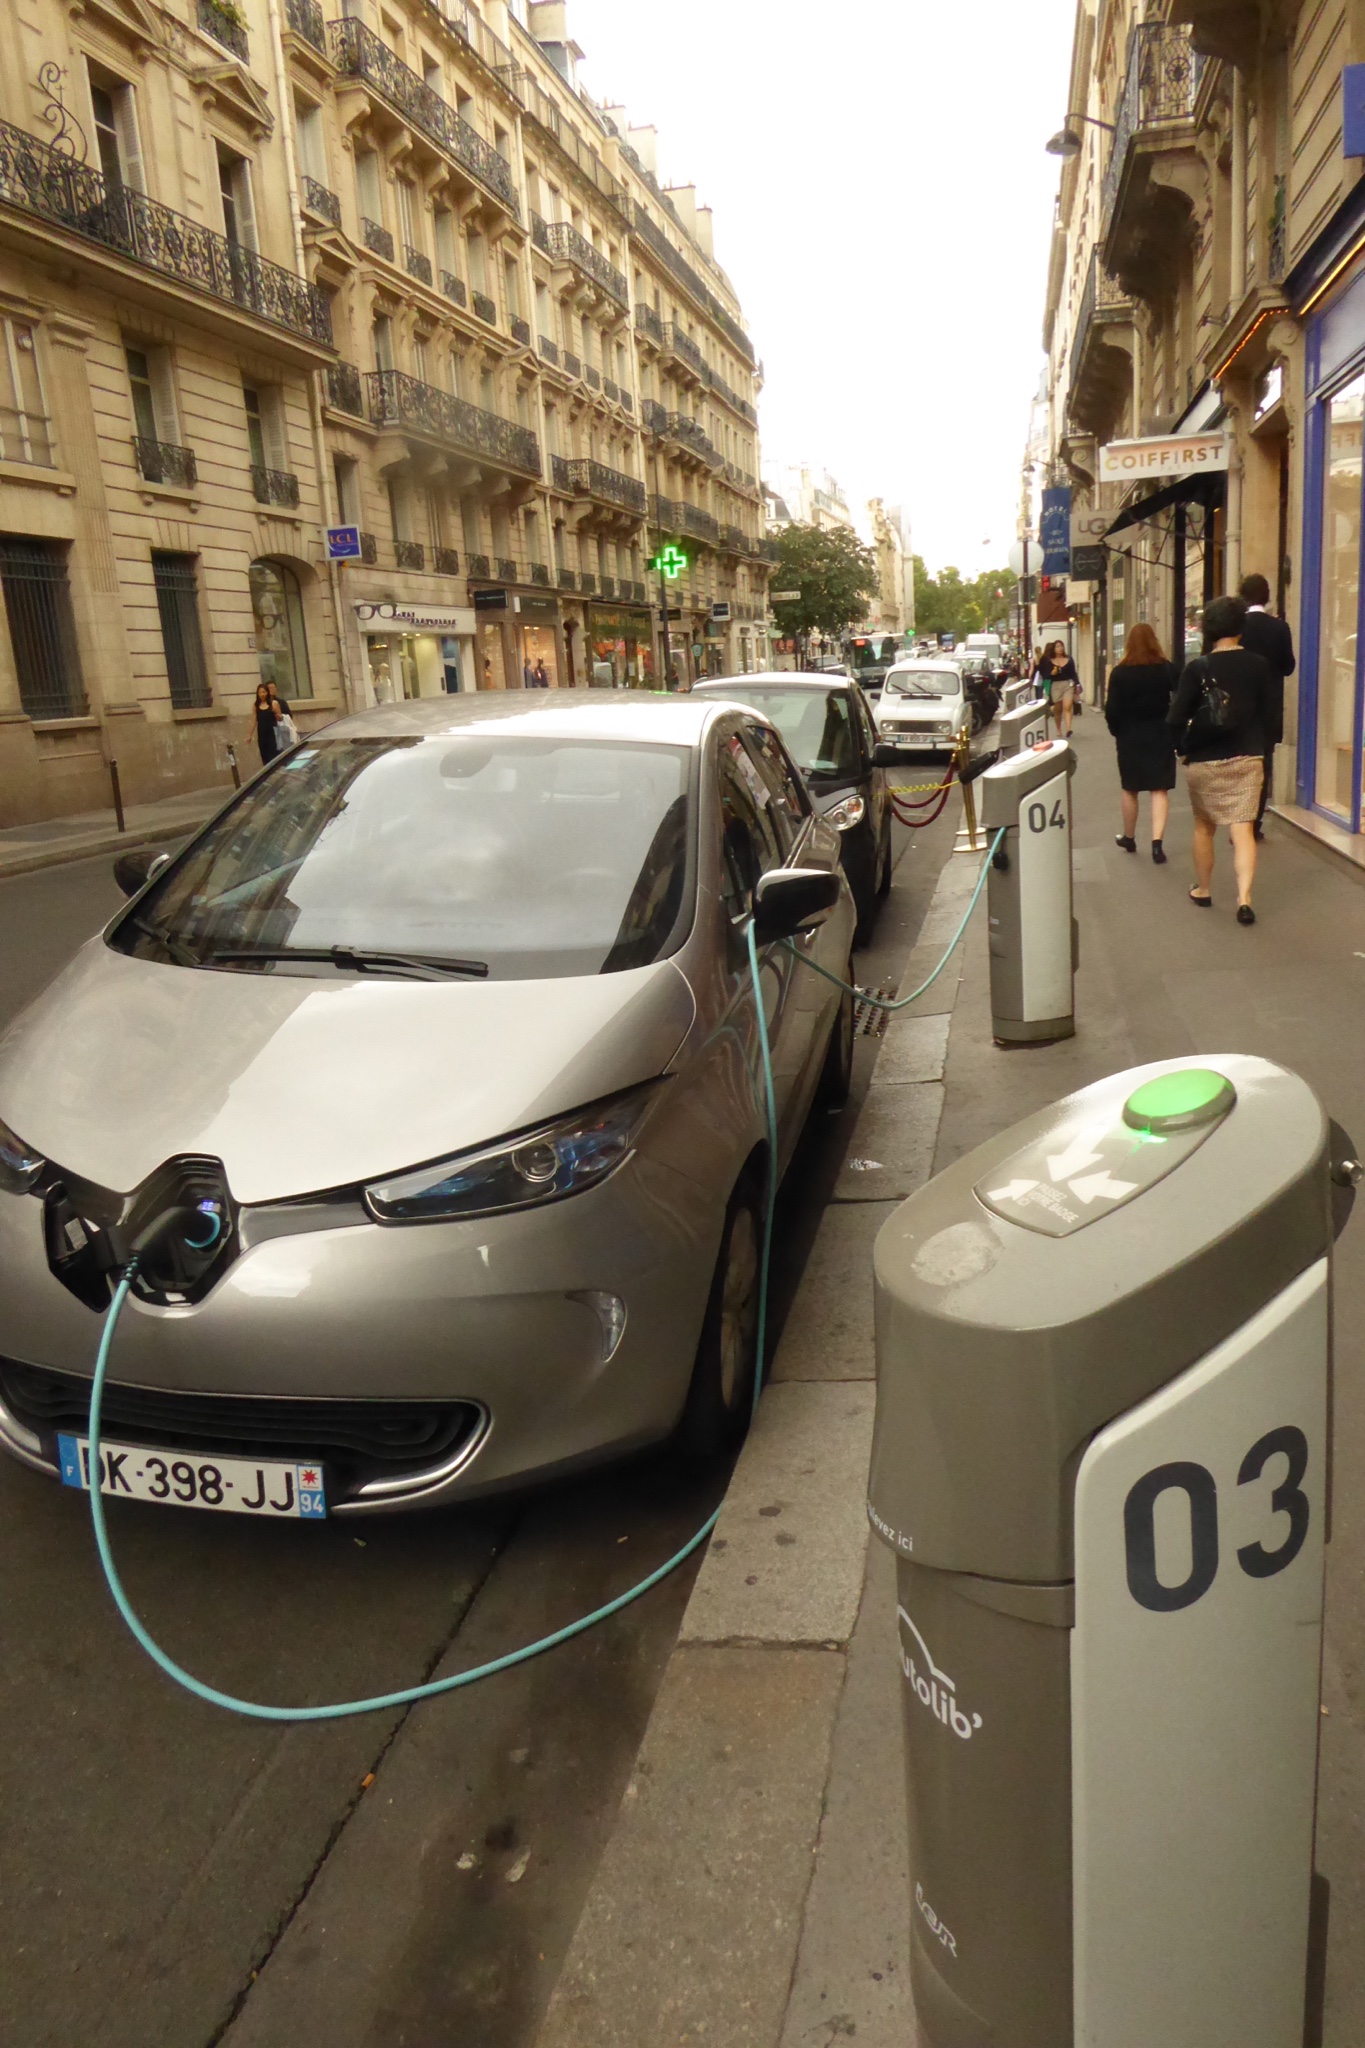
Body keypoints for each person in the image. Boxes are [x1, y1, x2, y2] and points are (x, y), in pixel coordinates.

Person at [1169, 593, 1275, 925]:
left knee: (1204, 827)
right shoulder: (1259, 665)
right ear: (1240, 627)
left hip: (1205, 759)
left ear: (1209, 630)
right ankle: (1244, 899)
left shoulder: (1196, 669)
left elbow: (1175, 718)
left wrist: (1182, 749)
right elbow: (1270, 716)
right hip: (1248, 757)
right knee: (1243, 829)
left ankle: (1203, 889)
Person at [1104, 622, 1177, 863]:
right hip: (1160, 733)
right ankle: (1157, 844)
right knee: (1159, 788)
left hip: (1130, 735)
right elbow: (1182, 697)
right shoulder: (1166, 669)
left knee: (1130, 788)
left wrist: (1117, 731)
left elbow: (1112, 710)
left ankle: (1129, 837)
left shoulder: (1120, 673)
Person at [1237, 573, 1295, 840]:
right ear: (1267, 595)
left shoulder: (1237, 626)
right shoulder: (1280, 628)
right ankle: (1254, 821)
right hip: (1269, 707)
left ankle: (1239, 817)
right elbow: (1288, 667)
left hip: (1240, 705)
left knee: (1239, 761)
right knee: (1263, 764)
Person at [1038, 640, 1080, 737]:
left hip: (1068, 684)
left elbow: (1073, 673)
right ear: (1054, 649)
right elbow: (1045, 675)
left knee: (1068, 706)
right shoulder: (1049, 661)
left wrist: (1077, 684)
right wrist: (1052, 673)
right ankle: (1058, 729)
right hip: (1055, 685)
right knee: (1058, 710)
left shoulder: (1069, 659)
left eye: (1061, 646)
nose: (1060, 648)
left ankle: (1068, 729)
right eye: (1057, 646)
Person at [250, 681, 281, 765]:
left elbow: (280, 718)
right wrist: (249, 735)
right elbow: (254, 721)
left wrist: (275, 713)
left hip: (273, 734)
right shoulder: (256, 705)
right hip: (262, 734)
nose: (262, 694)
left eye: (264, 692)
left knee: (275, 757)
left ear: (267, 692)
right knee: (265, 757)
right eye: (260, 692)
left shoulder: (274, 703)